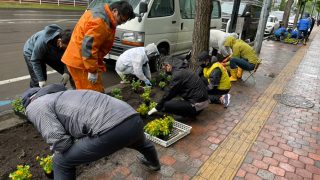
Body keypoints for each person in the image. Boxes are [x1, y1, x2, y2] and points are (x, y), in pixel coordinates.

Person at [22, 84, 160, 180]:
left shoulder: (35, 105)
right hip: (132, 118)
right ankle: (154, 163)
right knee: (141, 143)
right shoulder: (63, 94)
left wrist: (58, 151)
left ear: (30, 100)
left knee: (60, 161)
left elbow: (60, 141)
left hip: (111, 129)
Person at [62, 1, 135, 93]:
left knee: (92, 91)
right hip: (81, 63)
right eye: (121, 20)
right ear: (115, 11)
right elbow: (89, 47)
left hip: (82, 60)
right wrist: (92, 70)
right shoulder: (100, 22)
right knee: (93, 94)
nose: (121, 23)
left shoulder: (102, 14)